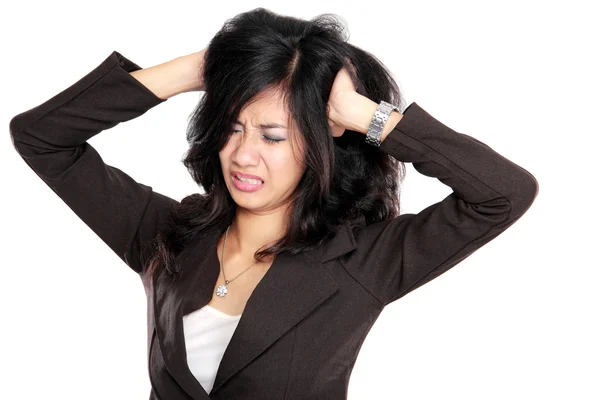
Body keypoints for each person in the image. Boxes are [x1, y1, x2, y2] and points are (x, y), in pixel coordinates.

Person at [8, 7, 538, 400]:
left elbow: (503, 194)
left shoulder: (364, 263)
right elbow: (41, 138)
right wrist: (200, 69)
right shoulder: (164, 234)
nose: (243, 155)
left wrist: (364, 114)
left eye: (273, 136)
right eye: (232, 128)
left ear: (321, 146)